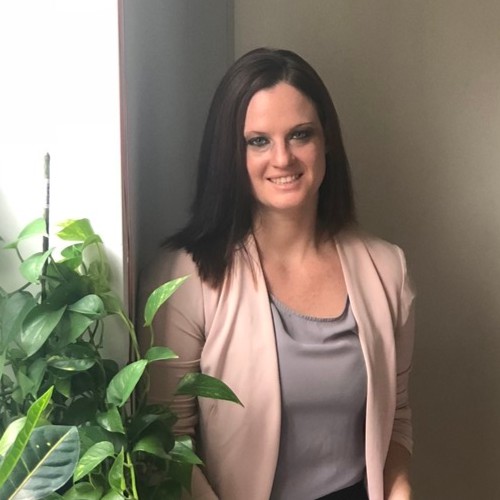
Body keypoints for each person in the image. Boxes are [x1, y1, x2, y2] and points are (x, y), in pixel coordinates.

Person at [140, 48, 415, 500]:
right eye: (258, 141)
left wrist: (400, 489)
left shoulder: (387, 270)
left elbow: (396, 417)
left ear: (327, 141)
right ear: (230, 154)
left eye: (300, 134)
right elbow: (168, 442)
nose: (283, 158)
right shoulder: (184, 279)